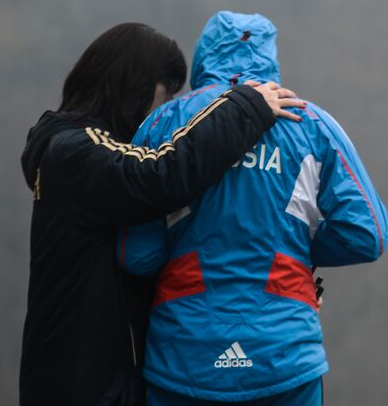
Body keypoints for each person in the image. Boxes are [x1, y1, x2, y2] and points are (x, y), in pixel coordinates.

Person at [20, 22, 306, 406]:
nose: (166, 109)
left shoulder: (68, 150)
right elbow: (158, 174)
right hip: (85, 385)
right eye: (165, 94)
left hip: (88, 377)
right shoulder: (75, 151)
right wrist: (245, 107)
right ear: (133, 84)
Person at [119, 11, 388, 406]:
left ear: (204, 58)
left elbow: (136, 254)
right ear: (270, 58)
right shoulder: (311, 122)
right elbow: (368, 234)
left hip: (184, 355)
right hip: (284, 355)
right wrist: (294, 249)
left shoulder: (164, 122)